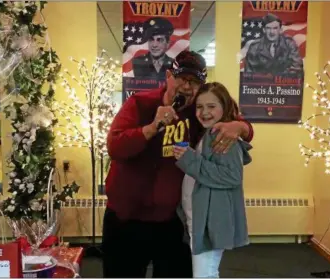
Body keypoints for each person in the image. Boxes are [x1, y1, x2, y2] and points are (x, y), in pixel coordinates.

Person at [102, 50, 254, 278]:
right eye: (182, 78)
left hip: (170, 222)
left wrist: (241, 128)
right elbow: (115, 146)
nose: (187, 86)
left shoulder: (197, 112)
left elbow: (235, 120)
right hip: (126, 219)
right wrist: (152, 127)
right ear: (169, 75)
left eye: (194, 82)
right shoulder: (140, 103)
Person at [173, 82, 251, 278]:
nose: (204, 112)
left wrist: (188, 159)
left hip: (209, 221)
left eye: (211, 106)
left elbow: (231, 176)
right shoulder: (208, 133)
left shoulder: (222, 135)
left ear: (224, 107)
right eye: (200, 107)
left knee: (205, 274)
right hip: (199, 219)